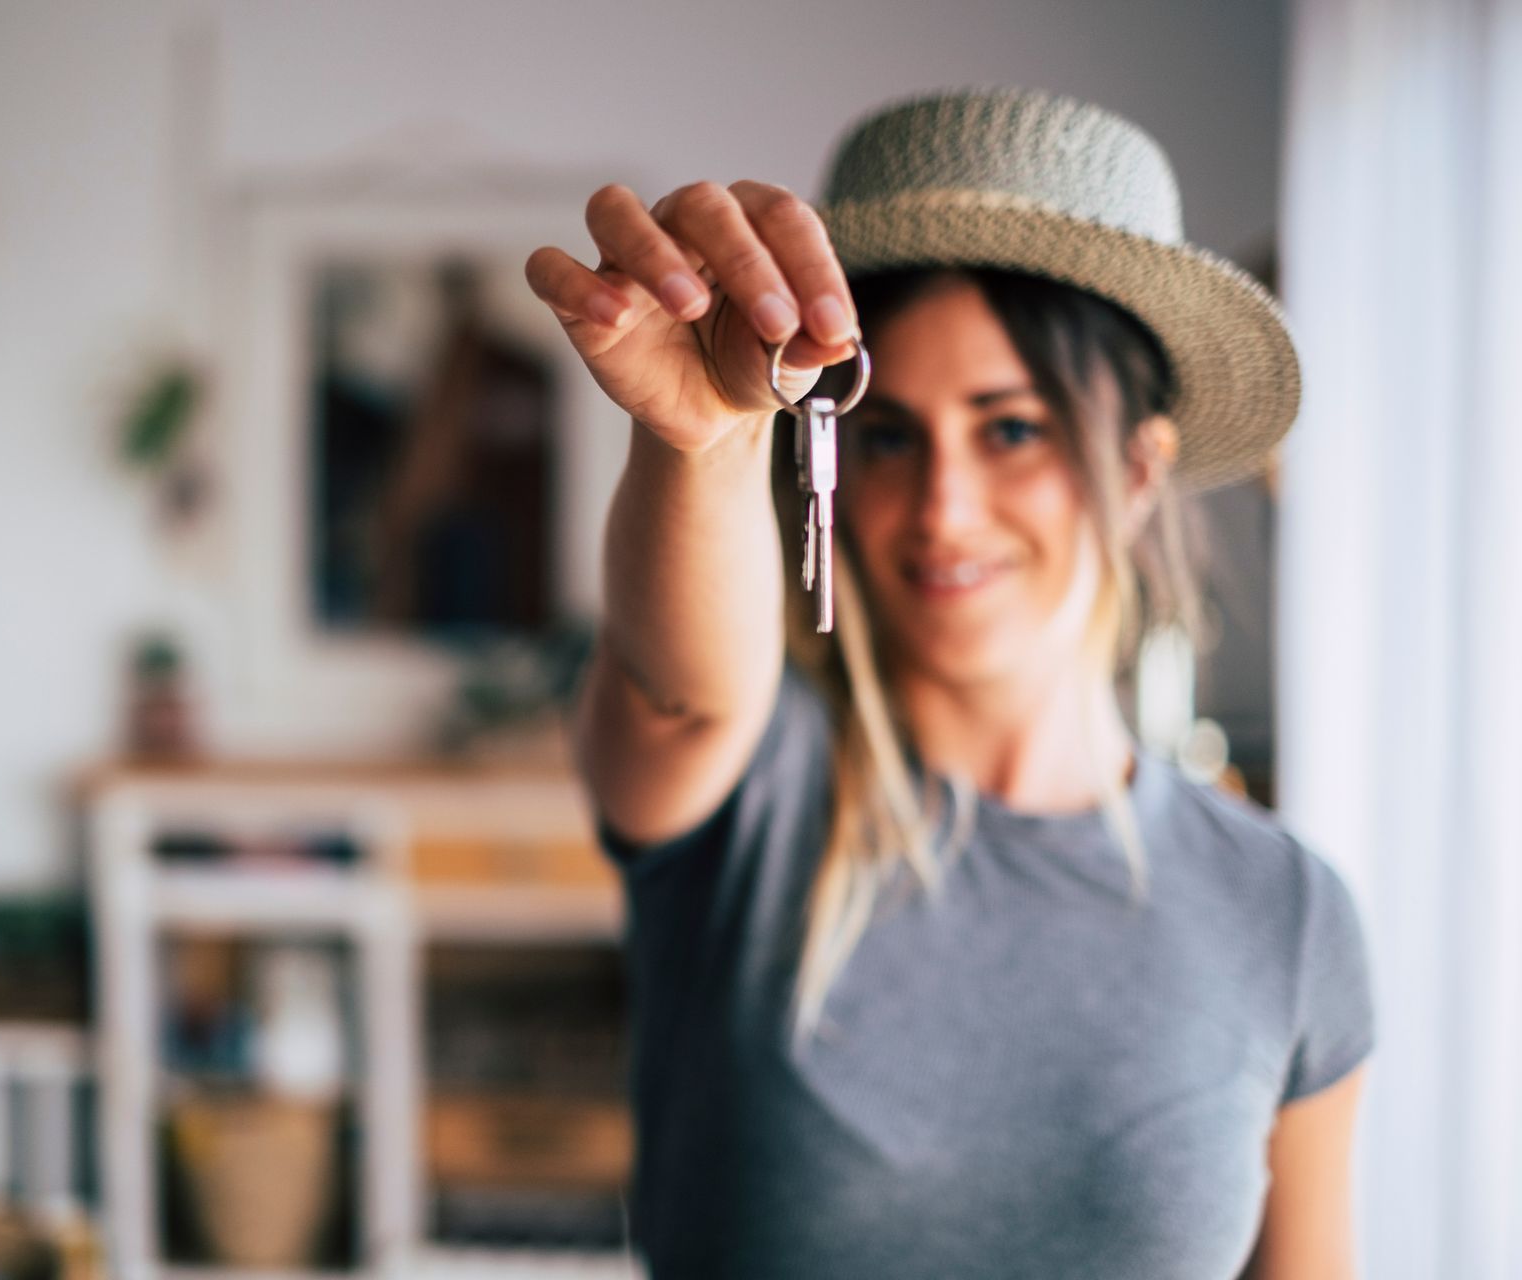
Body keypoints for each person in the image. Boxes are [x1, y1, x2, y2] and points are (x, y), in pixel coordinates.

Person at [525, 88, 1374, 1279]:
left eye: (1011, 429)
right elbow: (679, 691)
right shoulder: (758, 797)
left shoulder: (1285, 917)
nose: (942, 509)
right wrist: (702, 443)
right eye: (889, 435)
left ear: (1137, 466)